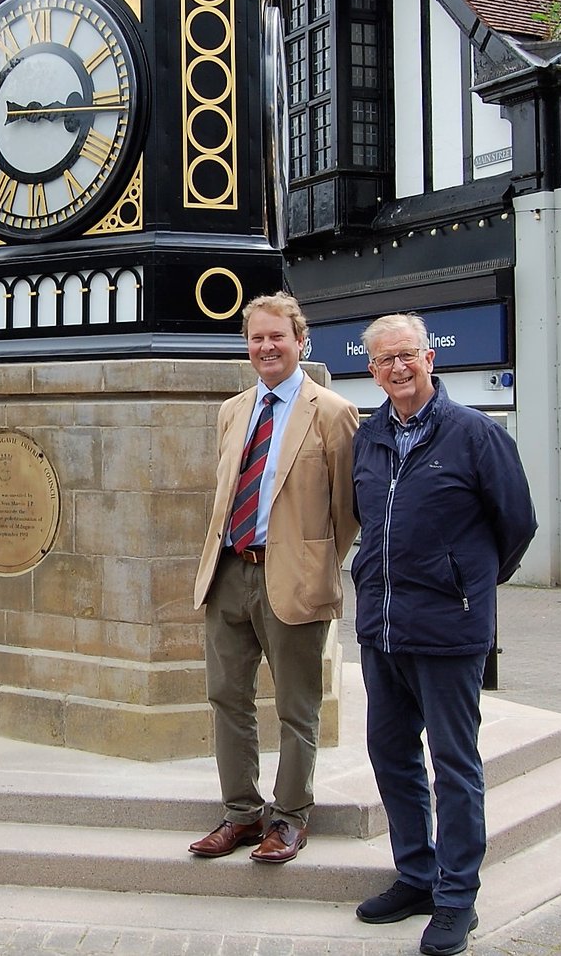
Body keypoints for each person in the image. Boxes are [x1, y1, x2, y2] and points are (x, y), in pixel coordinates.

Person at [351, 313, 536, 956]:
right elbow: (366, 519)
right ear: (371, 369)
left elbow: (516, 523)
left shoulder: (476, 435)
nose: (397, 368)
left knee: (454, 767)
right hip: (382, 630)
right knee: (391, 754)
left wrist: (469, 583)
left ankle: (457, 898)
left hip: (449, 631)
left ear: (430, 357)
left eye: (406, 355)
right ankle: (417, 874)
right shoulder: (368, 437)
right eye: (383, 360)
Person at [190, 292, 359, 864]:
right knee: (227, 699)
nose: (266, 347)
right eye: (257, 338)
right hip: (229, 573)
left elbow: (348, 509)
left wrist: (314, 562)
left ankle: (288, 818)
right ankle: (240, 814)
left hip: (292, 579)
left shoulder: (332, 412)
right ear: (247, 345)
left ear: (299, 342)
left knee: (296, 705)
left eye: (277, 338)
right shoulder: (232, 410)